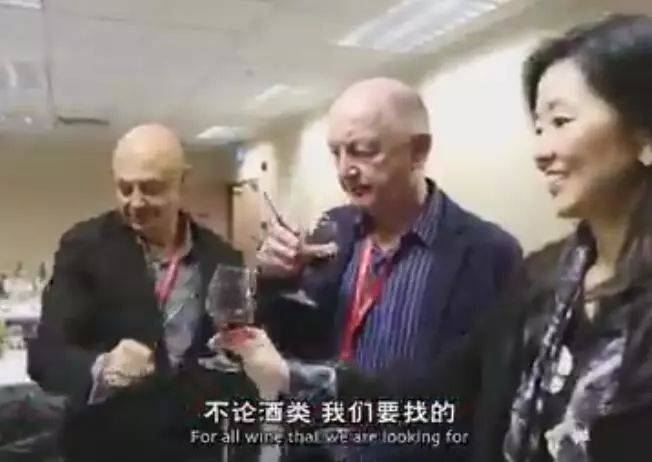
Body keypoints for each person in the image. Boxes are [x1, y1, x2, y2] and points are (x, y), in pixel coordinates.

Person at [224, 14, 652, 462]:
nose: (541, 152)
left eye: (561, 121)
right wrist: (286, 345)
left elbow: (460, 412)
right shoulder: (544, 280)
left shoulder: (489, 253)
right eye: (539, 128)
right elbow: (446, 386)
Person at [257, 77, 522, 383]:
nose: (345, 170)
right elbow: (295, 341)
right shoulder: (334, 229)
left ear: (418, 151)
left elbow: (496, 381)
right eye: (336, 153)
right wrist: (277, 280)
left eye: (363, 150)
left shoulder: (490, 253)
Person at [28, 124, 256, 462]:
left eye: (151, 188)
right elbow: (45, 355)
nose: (135, 202)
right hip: (106, 447)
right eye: (125, 188)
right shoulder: (84, 248)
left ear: (183, 181)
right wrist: (103, 368)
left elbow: (238, 362)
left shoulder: (222, 257)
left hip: (193, 449)